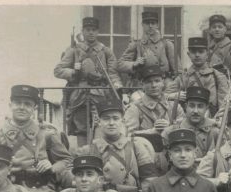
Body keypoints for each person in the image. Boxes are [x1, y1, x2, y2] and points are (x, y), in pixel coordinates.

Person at [0, 85, 73, 192]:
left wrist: (51, 167)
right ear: (10, 105)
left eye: (27, 104)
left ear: (34, 108)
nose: (22, 107)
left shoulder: (47, 135)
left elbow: (66, 161)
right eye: (17, 103)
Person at [77, 98, 158, 192]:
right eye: (106, 119)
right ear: (99, 122)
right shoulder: (89, 150)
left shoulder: (135, 146)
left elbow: (150, 179)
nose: (111, 123)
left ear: (123, 121)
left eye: (115, 118)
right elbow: (73, 174)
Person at [54, 17, 122, 145]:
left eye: (94, 30)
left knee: (102, 126)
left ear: (98, 32)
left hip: (101, 94)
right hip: (80, 95)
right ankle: (83, 157)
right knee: (81, 128)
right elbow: (58, 70)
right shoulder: (74, 50)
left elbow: (112, 74)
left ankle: (99, 156)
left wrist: (117, 85)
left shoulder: (106, 51)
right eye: (88, 30)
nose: (91, 33)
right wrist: (74, 72)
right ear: (83, 31)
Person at [168, 37, 230, 117]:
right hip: (187, 119)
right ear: (188, 54)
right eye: (193, 52)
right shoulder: (183, 77)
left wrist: (217, 120)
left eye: (201, 52)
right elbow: (163, 96)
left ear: (207, 54)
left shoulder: (217, 76)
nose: (197, 55)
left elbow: (224, 104)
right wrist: (173, 96)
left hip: (211, 119)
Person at [117, 10, 176, 89]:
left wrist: (172, 84)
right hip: (142, 85)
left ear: (157, 25)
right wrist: (134, 64)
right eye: (147, 23)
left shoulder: (167, 45)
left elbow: (177, 71)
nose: (150, 26)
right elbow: (119, 64)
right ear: (142, 25)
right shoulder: (136, 45)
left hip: (163, 85)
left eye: (153, 23)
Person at [162, 86, 220, 159]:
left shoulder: (215, 133)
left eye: (200, 106)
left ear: (206, 108)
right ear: (186, 106)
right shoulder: (171, 131)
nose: (195, 111)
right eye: (192, 106)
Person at [124, 65, 175, 134]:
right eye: (148, 82)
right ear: (142, 85)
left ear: (163, 82)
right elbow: (128, 134)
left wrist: (169, 127)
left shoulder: (174, 106)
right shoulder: (135, 108)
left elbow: (184, 129)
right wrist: (152, 132)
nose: (153, 85)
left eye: (157, 81)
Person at [206, 13, 231, 92]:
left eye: (220, 27)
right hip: (211, 88)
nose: (217, 29)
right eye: (214, 27)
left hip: (227, 87)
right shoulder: (207, 50)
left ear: (225, 29)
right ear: (210, 30)